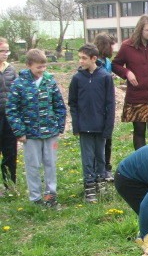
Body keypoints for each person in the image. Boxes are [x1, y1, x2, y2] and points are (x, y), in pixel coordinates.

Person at [6, 49, 66, 208]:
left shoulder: (49, 81)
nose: (42, 70)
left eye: (44, 66)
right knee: (33, 165)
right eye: (38, 67)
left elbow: (59, 104)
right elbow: (12, 109)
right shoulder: (19, 83)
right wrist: (19, 131)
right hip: (30, 134)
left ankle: (50, 195)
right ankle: (35, 197)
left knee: (50, 163)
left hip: (50, 132)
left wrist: (59, 125)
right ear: (29, 65)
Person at [112, 15, 148, 150]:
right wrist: (127, 73)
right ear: (140, 30)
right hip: (136, 97)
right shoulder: (127, 46)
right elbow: (115, 65)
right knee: (139, 131)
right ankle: (141, 163)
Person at [68, 44, 115, 203]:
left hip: (101, 126)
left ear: (94, 58)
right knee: (87, 157)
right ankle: (89, 186)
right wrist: (76, 125)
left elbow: (111, 104)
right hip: (84, 126)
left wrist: (108, 127)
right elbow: (72, 103)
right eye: (79, 57)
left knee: (100, 156)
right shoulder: (77, 78)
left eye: (84, 58)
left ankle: (100, 182)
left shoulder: (105, 77)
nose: (80, 61)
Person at [93, 33, 117, 181]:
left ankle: (106, 167)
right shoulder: (95, 62)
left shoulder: (108, 62)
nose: (113, 49)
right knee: (96, 140)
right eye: (111, 45)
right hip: (97, 105)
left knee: (108, 138)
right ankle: (97, 168)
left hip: (108, 105)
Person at [0, 38, 17, 195]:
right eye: (2, 51)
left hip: (9, 117)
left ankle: (9, 184)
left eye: (7, 51)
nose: (5, 54)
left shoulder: (11, 70)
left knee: (10, 152)